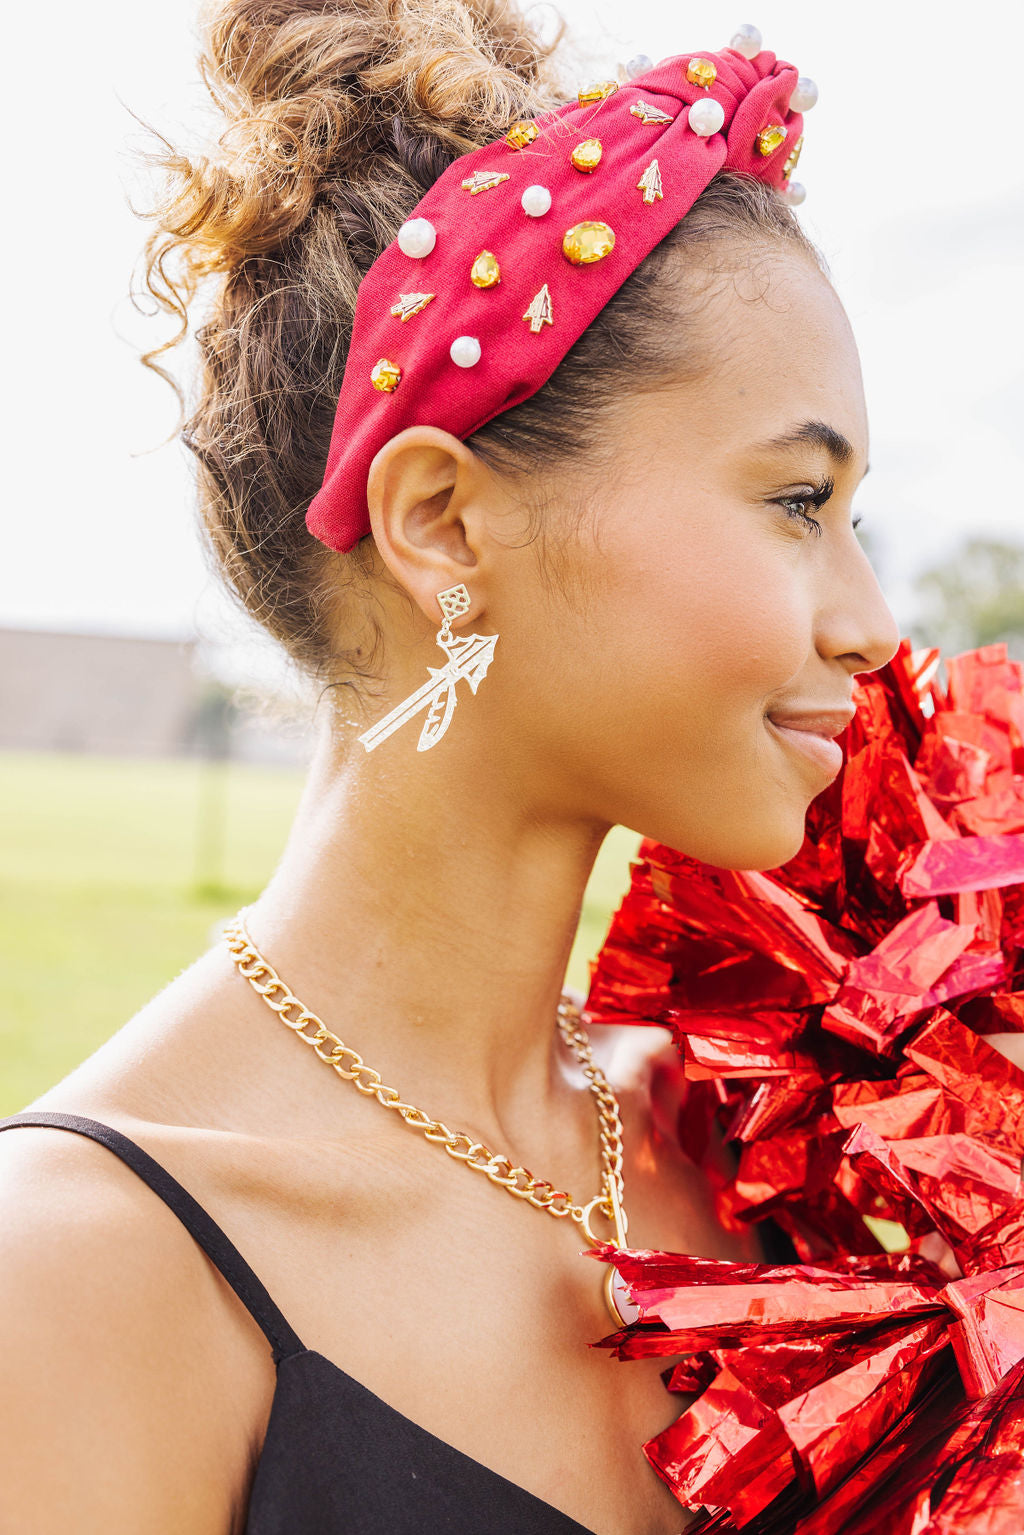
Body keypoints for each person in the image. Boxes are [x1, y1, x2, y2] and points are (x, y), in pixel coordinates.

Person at [0, 2, 899, 1531]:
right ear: (441, 523)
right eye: (799, 500)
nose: (874, 626)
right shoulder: (83, 1278)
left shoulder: (761, 1134)